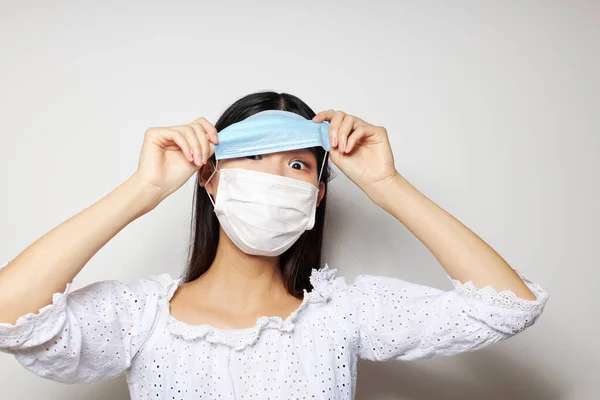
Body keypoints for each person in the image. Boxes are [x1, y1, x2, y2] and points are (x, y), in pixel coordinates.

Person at [0, 91, 548, 399]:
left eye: (296, 164)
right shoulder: (141, 317)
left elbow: (507, 306)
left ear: (316, 197)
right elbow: (9, 312)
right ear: (210, 179)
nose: (275, 178)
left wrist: (386, 186)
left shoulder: (342, 314)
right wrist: (141, 191)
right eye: (254, 158)